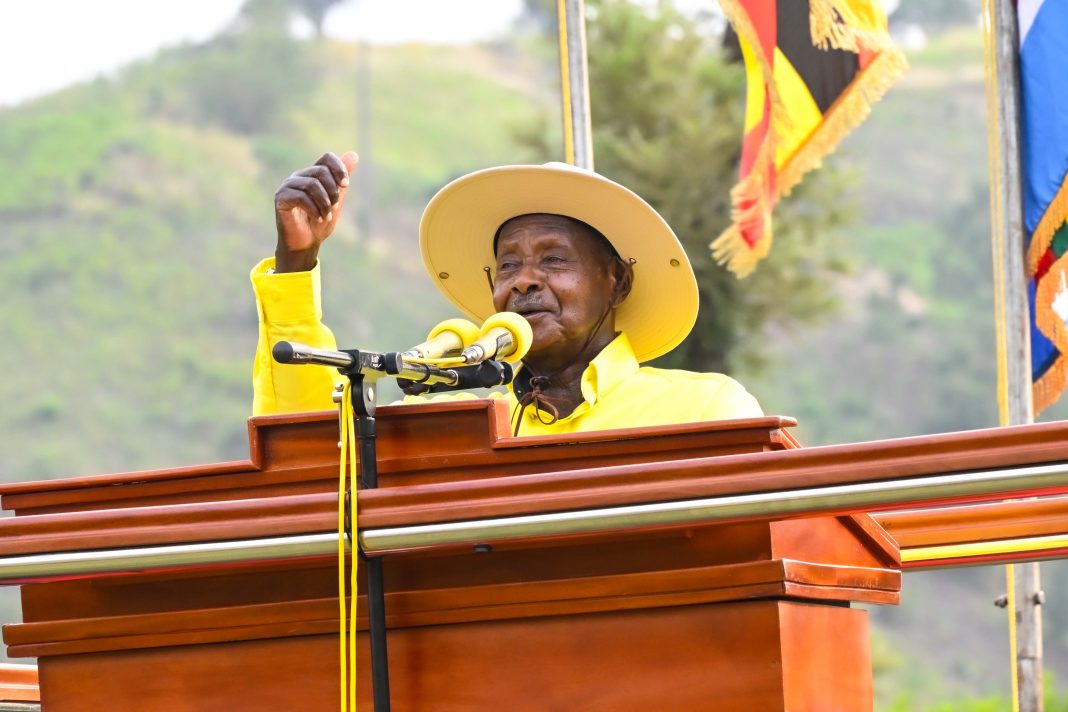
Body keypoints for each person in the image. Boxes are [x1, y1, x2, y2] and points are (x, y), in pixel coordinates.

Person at [251, 151, 762, 435]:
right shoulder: (454, 431)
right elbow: (309, 453)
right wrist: (296, 262)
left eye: (554, 259)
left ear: (618, 281)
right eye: (508, 266)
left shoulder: (702, 410)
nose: (523, 280)